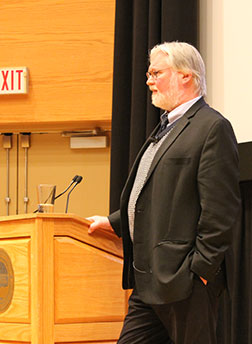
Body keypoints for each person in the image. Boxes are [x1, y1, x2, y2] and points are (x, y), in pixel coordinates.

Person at [87, 42, 241, 344]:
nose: (148, 80)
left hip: (185, 281)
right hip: (149, 281)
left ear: (186, 76)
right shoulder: (166, 127)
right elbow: (154, 193)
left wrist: (201, 271)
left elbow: (221, 211)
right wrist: (115, 222)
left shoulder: (211, 128)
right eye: (148, 73)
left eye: (156, 72)